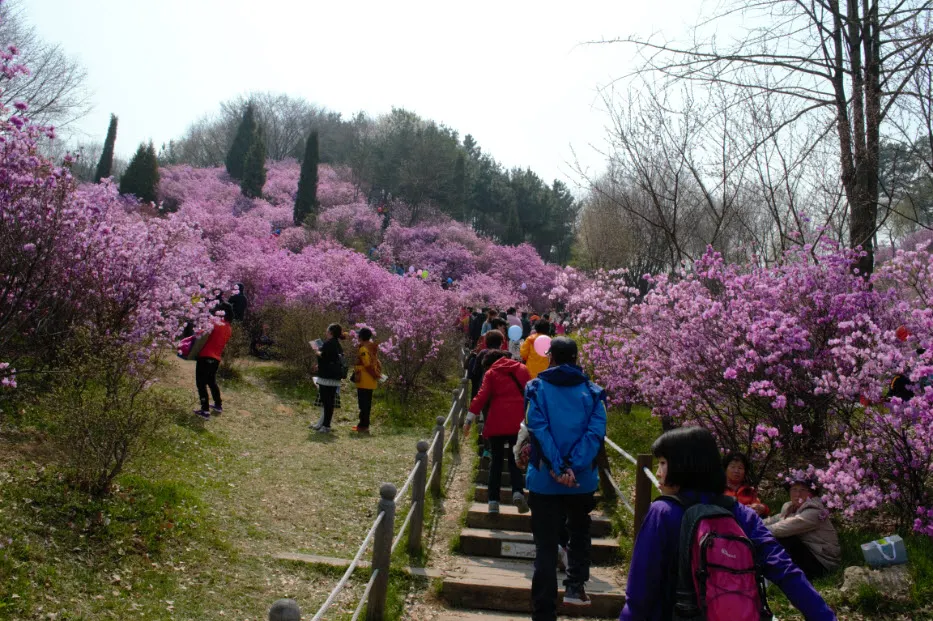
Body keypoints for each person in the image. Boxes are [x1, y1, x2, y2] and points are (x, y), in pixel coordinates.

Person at [620, 427, 837, 621]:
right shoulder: (740, 513)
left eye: (664, 463)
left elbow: (640, 590)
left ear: (684, 464)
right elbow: (785, 570)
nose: (658, 472)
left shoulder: (663, 512)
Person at [525, 337, 607, 616]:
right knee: (580, 531)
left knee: (545, 549)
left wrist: (558, 468)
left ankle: (544, 611)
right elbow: (594, 435)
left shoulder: (537, 389)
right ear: (575, 359)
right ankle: (575, 586)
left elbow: (538, 429)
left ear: (551, 358)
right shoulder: (593, 393)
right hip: (580, 482)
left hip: (545, 482)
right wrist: (574, 467)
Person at [464, 350, 530, 514]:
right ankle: (517, 492)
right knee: (516, 458)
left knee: (496, 461)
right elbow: (531, 394)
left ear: (489, 363)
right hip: (518, 422)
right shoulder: (522, 369)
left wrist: (469, 419)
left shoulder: (491, 373)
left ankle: (493, 501)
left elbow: (481, 396)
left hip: (497, 421)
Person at [765, 476, 841, 581]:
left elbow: (782, 528)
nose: (797, 494)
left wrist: (757, 531)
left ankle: (779, 575)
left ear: (811, 493)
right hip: (808, 556)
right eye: (794, 490)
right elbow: (773, 520)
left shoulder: (814, 511)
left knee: (783, 538)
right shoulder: (791, 507)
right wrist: (749, 523)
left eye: (802, 490)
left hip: (822, 563)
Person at [193, 303, 234, 419]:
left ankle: (205, 410)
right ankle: (218, 404)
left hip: (205, 356)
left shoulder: (214, 323)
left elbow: (200, 334)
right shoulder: (228, 327)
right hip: (216, 358)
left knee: (201, 383)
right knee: (211, 381)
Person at [309, 324, 345, 434]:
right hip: (334, 376)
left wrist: (316, 351)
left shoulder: (329, 343)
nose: (325, 332)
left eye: (327, 330)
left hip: (327, 377)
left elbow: (323, 356)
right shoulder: (337, 344)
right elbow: (332, 359)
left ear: (330, 332)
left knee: (327, 402)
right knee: (328, 402)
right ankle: (322, 424)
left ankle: (326, 426)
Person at [723, 452, 769, 516]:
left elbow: (759, 507)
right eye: (732, 467)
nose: (736, 471)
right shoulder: (718, 489)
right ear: (725, 469)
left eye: (740, 468)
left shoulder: (749, 490)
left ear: (745, 472)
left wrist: (762, 508)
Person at [353, 327, 380, 434]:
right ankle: (363, 425)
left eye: (358, 335)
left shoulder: (363, 349)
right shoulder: (371, 347)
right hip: (369, 381)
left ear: (361, 337)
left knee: (363, 404)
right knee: (366, 404)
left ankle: (363, 426)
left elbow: (367, 364)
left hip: (365, 380)